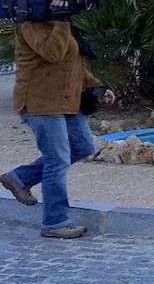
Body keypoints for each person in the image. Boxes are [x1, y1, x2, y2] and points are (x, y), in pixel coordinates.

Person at [1, 12, 114, 238]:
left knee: (83, 147)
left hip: (66, 100)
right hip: (40, 102)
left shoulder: (59, 23)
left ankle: (21, 177)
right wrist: (62, 21)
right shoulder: (31, 23)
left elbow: (73, 65)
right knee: (58, 158)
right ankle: (55, 222)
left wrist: (98, 87)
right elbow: (53, 53)